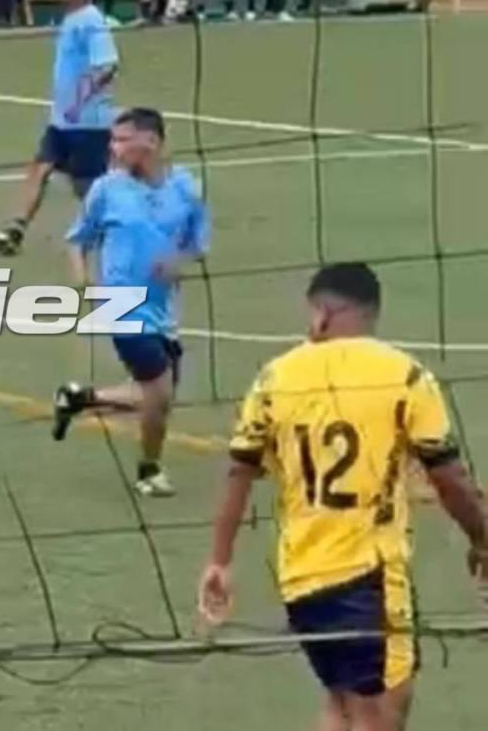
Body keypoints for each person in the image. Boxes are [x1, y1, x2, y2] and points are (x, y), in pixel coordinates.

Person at [198, 263, 488, 731]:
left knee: (344, 703)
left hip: (300, 578)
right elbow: (449, 477)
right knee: (382, 712)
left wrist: (219, 561)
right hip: (367, 576)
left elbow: (239, 468)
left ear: (322, 315)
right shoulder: (406, 376)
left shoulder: (274, 377)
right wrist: (481, 536)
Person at [52, 107, 209, 497]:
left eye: (122, 140)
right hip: (119, 304)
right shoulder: (107, 189)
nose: (114, 148)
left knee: (158, 399)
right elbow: (77, 239)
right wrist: (83, 280)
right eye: (113, 140)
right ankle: (149, 471)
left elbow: (197, 244)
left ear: (151, 142)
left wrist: (179, 262)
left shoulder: (187, 188)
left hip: (163, 308)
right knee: (159, 392)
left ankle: (80, 398)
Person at [0, 0, 118, 256]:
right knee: (38, 170)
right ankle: (14, 231)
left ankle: (118, 233)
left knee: (86, 190)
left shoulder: (92, 20)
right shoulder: (70, 19)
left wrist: (79, 102)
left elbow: (107, 65)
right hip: (62, 122)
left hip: (88, 123)